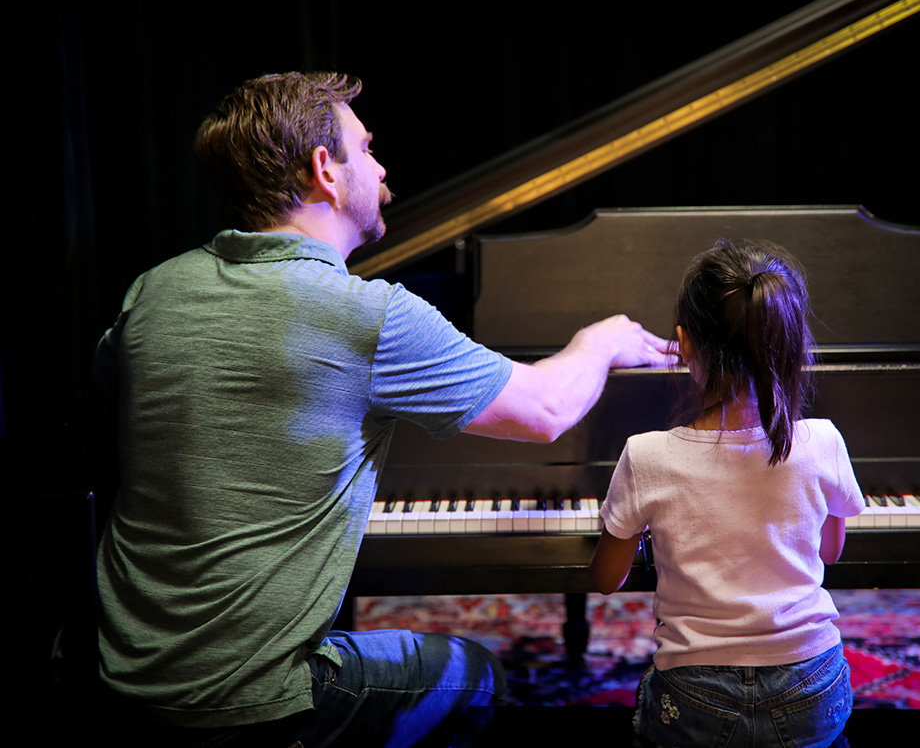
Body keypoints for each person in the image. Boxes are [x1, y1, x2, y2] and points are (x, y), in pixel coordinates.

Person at [95, 71, 673, 747]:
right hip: (250, 703)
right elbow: (545, 410)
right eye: (364, 148)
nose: (380, 164)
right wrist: (598, 342)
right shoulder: (366, 315)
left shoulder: (153, 290)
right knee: (478, 677)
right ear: (325, 172)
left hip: (116, 677)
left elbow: (116, 399)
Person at [588, 239, 865, 748]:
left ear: (683, 344)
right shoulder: (823, 441)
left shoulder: (646, 454)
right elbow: (830, 550)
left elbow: (606, 579)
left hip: (695, 697)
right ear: (788, 343)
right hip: (811, 686)